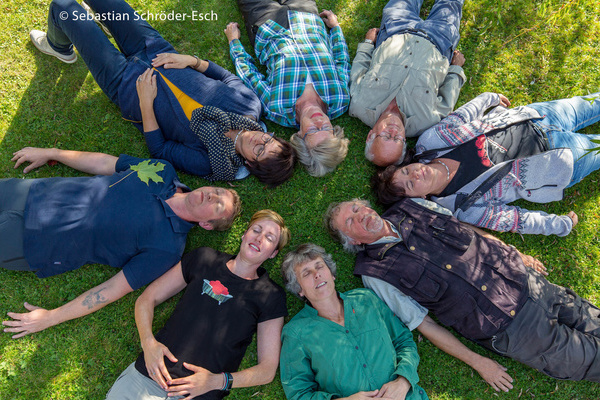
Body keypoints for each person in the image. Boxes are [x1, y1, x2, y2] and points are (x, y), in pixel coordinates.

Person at [326, 197, 600, 387]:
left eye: (355, 207)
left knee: (593, 318)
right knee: (589, 359)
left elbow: (467, 230)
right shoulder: (374, 273)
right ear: (353, 241)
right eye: (350, 221)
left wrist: (511, 251)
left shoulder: (412, 206)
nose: (359, 215)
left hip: (526, 281)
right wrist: (478, 362)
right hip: (512, 329)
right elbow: (425, 324)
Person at [29, 0, 296, 186]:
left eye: (260, 151)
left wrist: (146, 103)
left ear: (250, 165)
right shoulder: (250, 106)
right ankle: (100, 20)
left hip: (127, 85)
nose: (259, 140)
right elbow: (225, 76)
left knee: (64, 8)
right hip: (156, 49)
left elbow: (160, 149)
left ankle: (58, 46)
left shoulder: (209, 162)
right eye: (269, 139)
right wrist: (191, 61)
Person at [1, 147, 240, 338]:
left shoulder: (168, 249)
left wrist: (52, 317)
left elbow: (114, 288)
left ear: (207, 225)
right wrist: (52, 153)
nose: (212, 195)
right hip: (35, 192)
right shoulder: (162, 171)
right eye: (217, 191)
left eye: (217, 205)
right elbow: (105, 164)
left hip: (36, 242)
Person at [105, 209, 290, 399]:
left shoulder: (271, 295)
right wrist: (148, 344)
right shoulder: (205, 258)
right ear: (244, 234)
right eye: (256, 230)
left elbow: (267, 370)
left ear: (273, 253)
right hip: (146, 379)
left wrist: (217, 381)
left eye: (269, 238)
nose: (259, 238)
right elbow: (146, 300)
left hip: (196, 396)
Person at [372, 92, 600, 236]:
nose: (417, 173)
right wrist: (558, 226)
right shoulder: (464, 207)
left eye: (407, 170)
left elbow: (460, 117)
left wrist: (487, 98)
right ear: (419, 199)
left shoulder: (430, 143)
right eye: (411, 184)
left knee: (593, 103)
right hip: (559, 160)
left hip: (538, 115)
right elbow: (515, 219)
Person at [280, 243, 428, 400]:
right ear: (299, 289)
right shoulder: (296, 332)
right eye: (306, 273)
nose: (317, 274)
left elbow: (403, 341)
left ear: (332, 274)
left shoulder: (366, 299)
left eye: (320, 266)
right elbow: (298, 394)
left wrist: (403, 382)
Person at [224, 0, 350, 176]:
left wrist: (234, 42)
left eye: (313, 130)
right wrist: (335, 29)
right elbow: (342, 61)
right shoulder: (341, 99)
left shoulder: (277, 109)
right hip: (308, 18)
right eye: (326, 129)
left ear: (300, 136)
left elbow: (250, 75)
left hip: (268, 25)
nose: (319, 122)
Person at [349, 0, 467, 167]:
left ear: (371, 135)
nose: (394, 132)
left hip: (395, 30)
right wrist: (455, 69)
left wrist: (368, 44)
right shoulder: (425, 121)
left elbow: (358, 69)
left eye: (386, 136)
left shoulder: (359, 105)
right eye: (397, 139)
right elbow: (448, 99)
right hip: (439, 41)